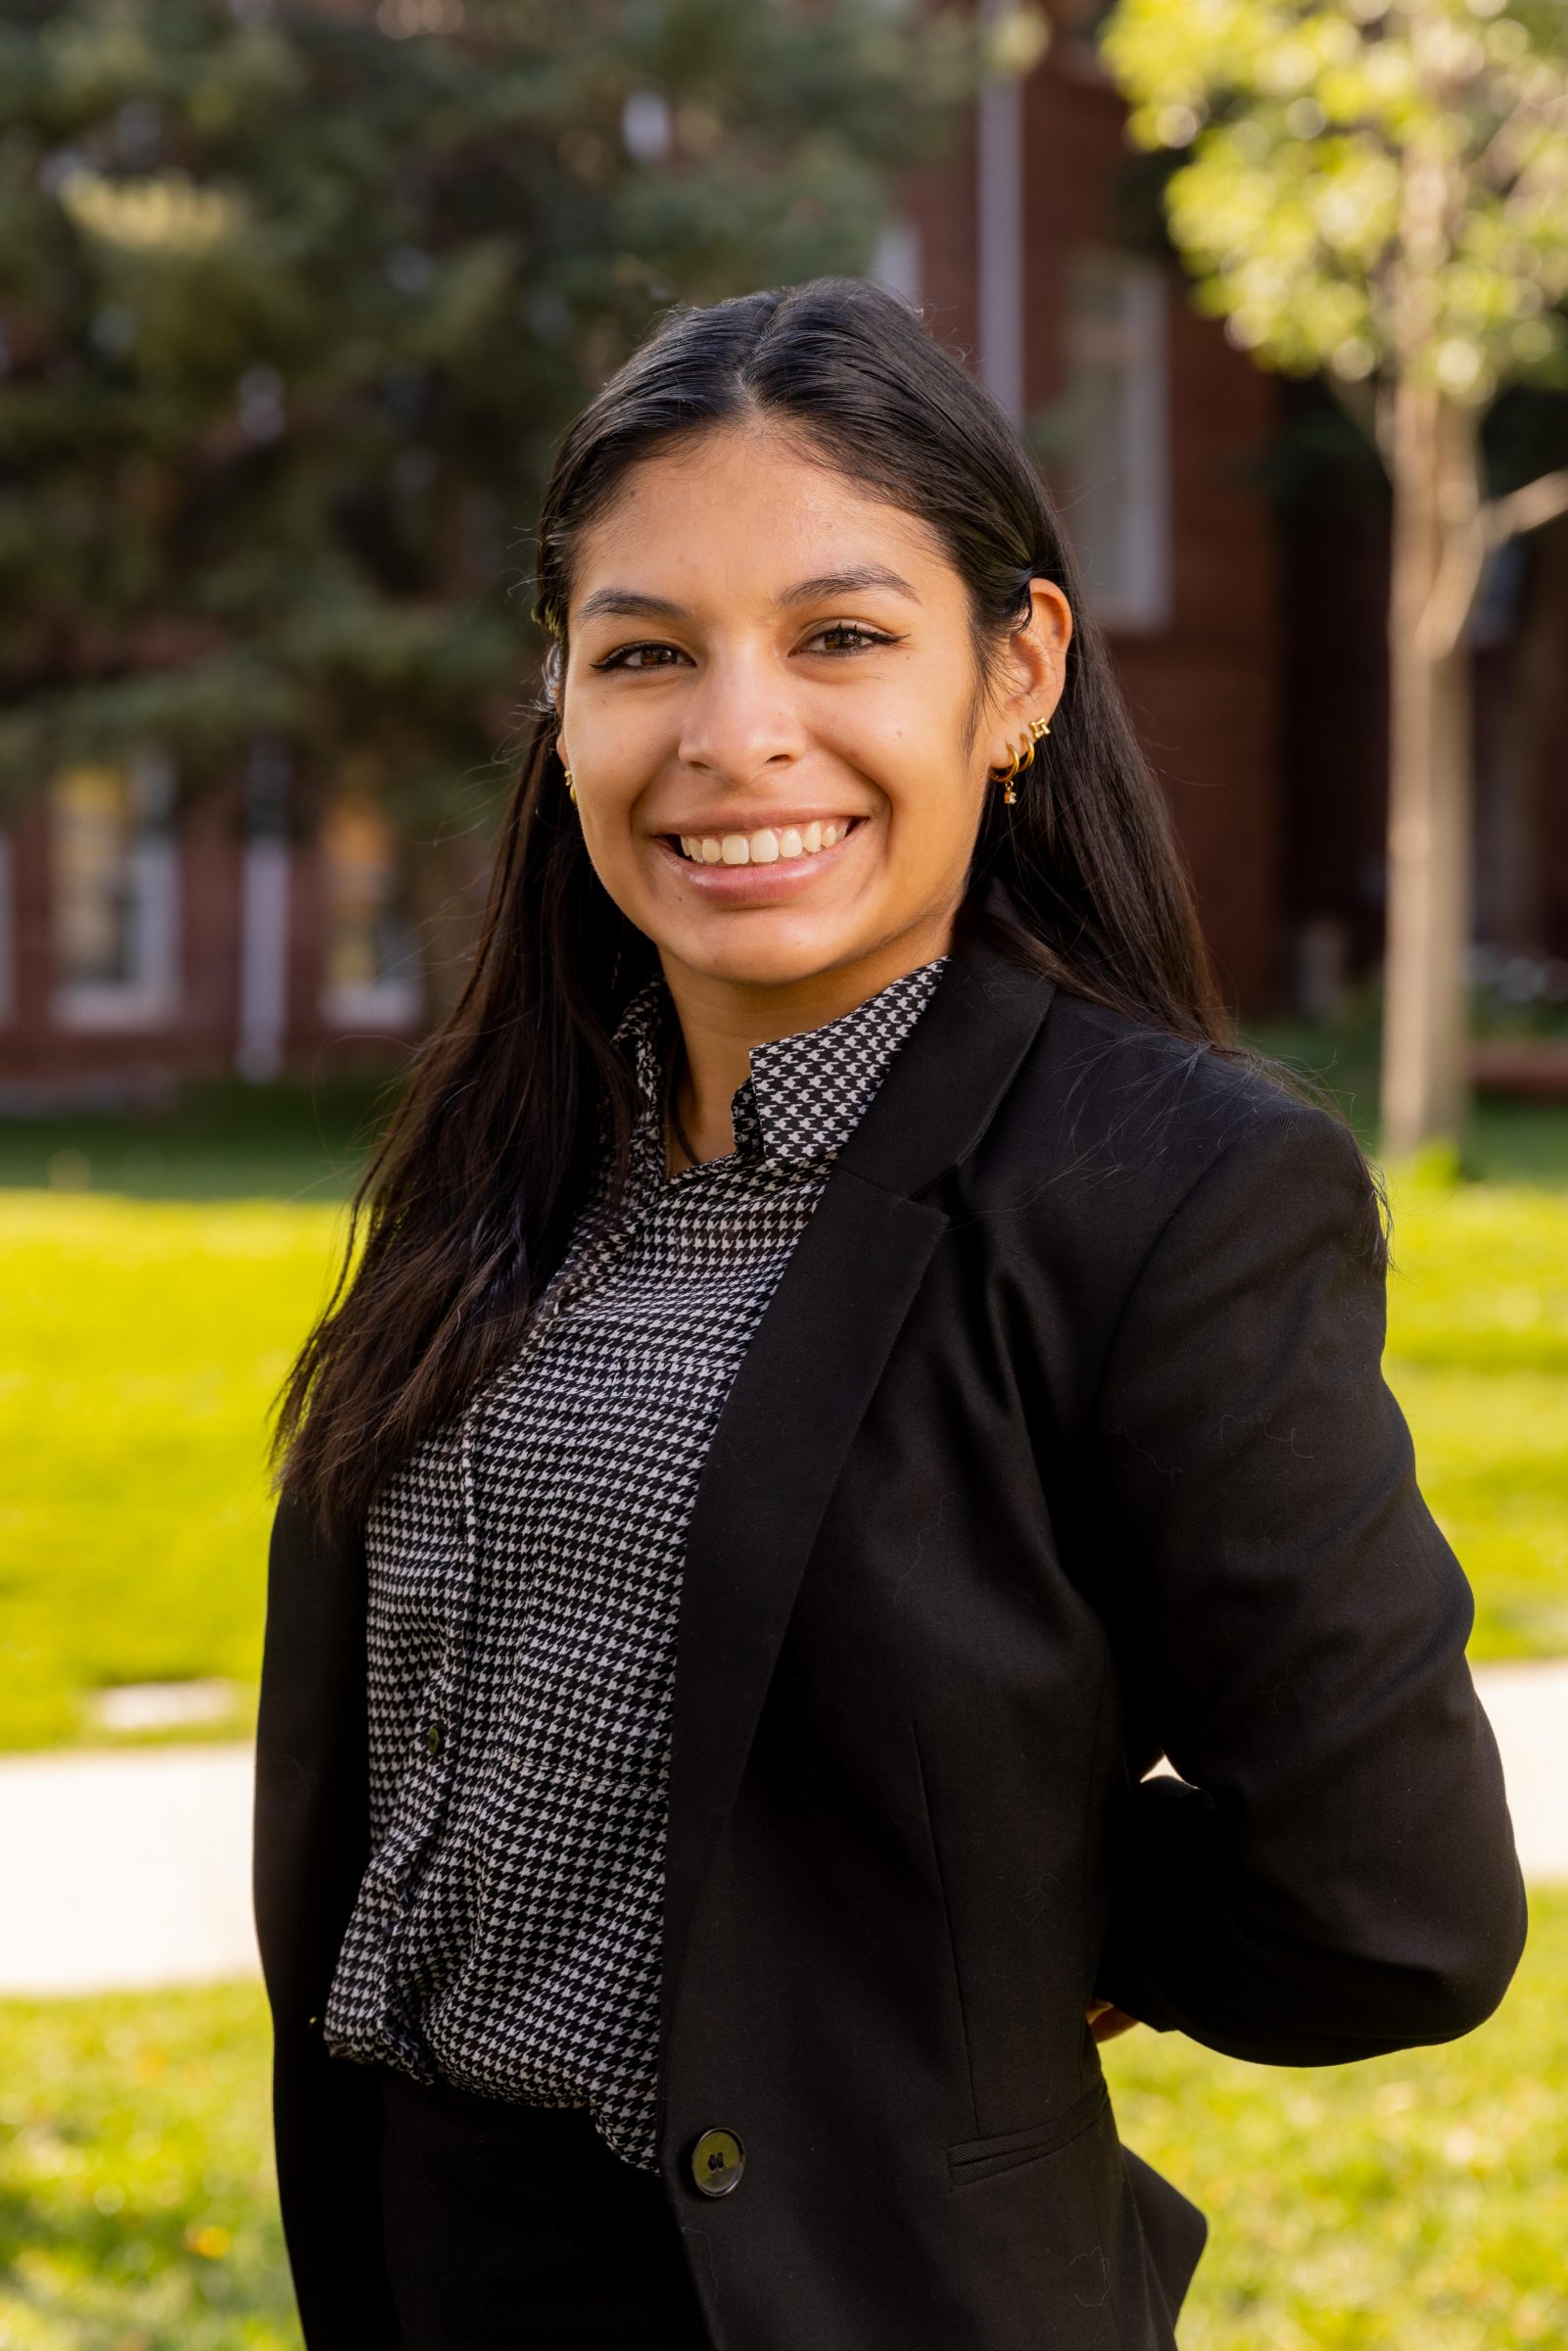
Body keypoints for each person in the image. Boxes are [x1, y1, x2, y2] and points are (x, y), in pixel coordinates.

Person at [252, 275, 1527, 2351]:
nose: (735, 734)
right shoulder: (510, 1154)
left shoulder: (1167, 1188)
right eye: (645, 651)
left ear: (1014, 673)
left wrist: (1006, 1903)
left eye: (841, 638)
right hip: (425, 2272)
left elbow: (1399, 1909)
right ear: (561, 698)